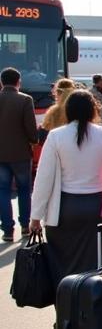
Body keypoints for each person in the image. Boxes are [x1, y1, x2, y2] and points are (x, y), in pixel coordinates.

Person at [29, 90, 102, 279]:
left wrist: (35, 216)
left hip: (64, 209)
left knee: (63, 267)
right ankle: (97, 306)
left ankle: (67, 305)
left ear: (67, 110)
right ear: (94, 109)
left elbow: (44, 178)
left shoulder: (56, 136)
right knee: (100, 267)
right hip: (99, 207)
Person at [0, 67, 38, 242]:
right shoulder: (25, 100)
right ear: (18, 81)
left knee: (3, 191)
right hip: (21, 153)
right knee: (24, 190)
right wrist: (34, 140)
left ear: (1, 81)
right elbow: (30, 127)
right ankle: (24, 226)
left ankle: (7, 230)